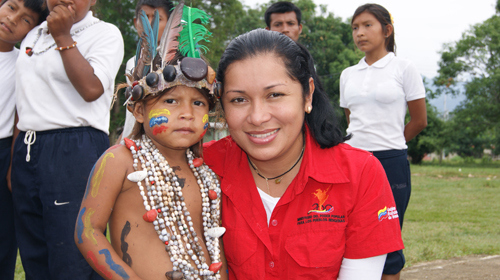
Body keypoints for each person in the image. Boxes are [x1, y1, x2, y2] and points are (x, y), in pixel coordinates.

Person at [204, 28, 404, 279]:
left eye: (274, 95)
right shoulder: (201, 167)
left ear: (307, 94)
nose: (257, 117)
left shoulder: (361, 174)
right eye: (239, 100)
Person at [75, 2, 227, 279]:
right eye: (170, 101)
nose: (187, 114)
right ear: (140, 111)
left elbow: (215, 243)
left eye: (198, 103)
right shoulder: (119, 160)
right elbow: (87, 231)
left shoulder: (206, 171)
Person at [10, 0, 124, 278]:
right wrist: (15, 160)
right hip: (27, 147)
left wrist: (63, 36)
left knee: (72, 256)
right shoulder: (33, 34)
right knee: (34, 251)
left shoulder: (105, 33)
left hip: (74, 148)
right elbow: (23, 100)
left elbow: (92, 88)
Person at [339, 4, 427, 280]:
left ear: (387, 30)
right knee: (349, 234)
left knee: (387, 239)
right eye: (355, 27)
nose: (360, 33)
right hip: (352, 162)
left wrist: (390, 142)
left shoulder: (404, 68)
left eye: (367, 25)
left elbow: (419, 120)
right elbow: (352, 120)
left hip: (391, 162)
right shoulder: (347, 74)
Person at [0, 0, 48, 278]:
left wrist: (12, 164)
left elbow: (22, 114)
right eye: (11, 7)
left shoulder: (24, 60)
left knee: (4, 236)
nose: (13, 19)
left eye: (26, 19)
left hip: (4, 149)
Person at [121, 0, 174, 141]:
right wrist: (122, 139)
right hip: (131, 141)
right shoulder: (132, 62)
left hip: (161, 140)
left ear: (170, 24)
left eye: (157, 18)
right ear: (135, 22)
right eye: (144, 17)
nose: (150, 24)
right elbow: (131, 113)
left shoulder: (176, 61)